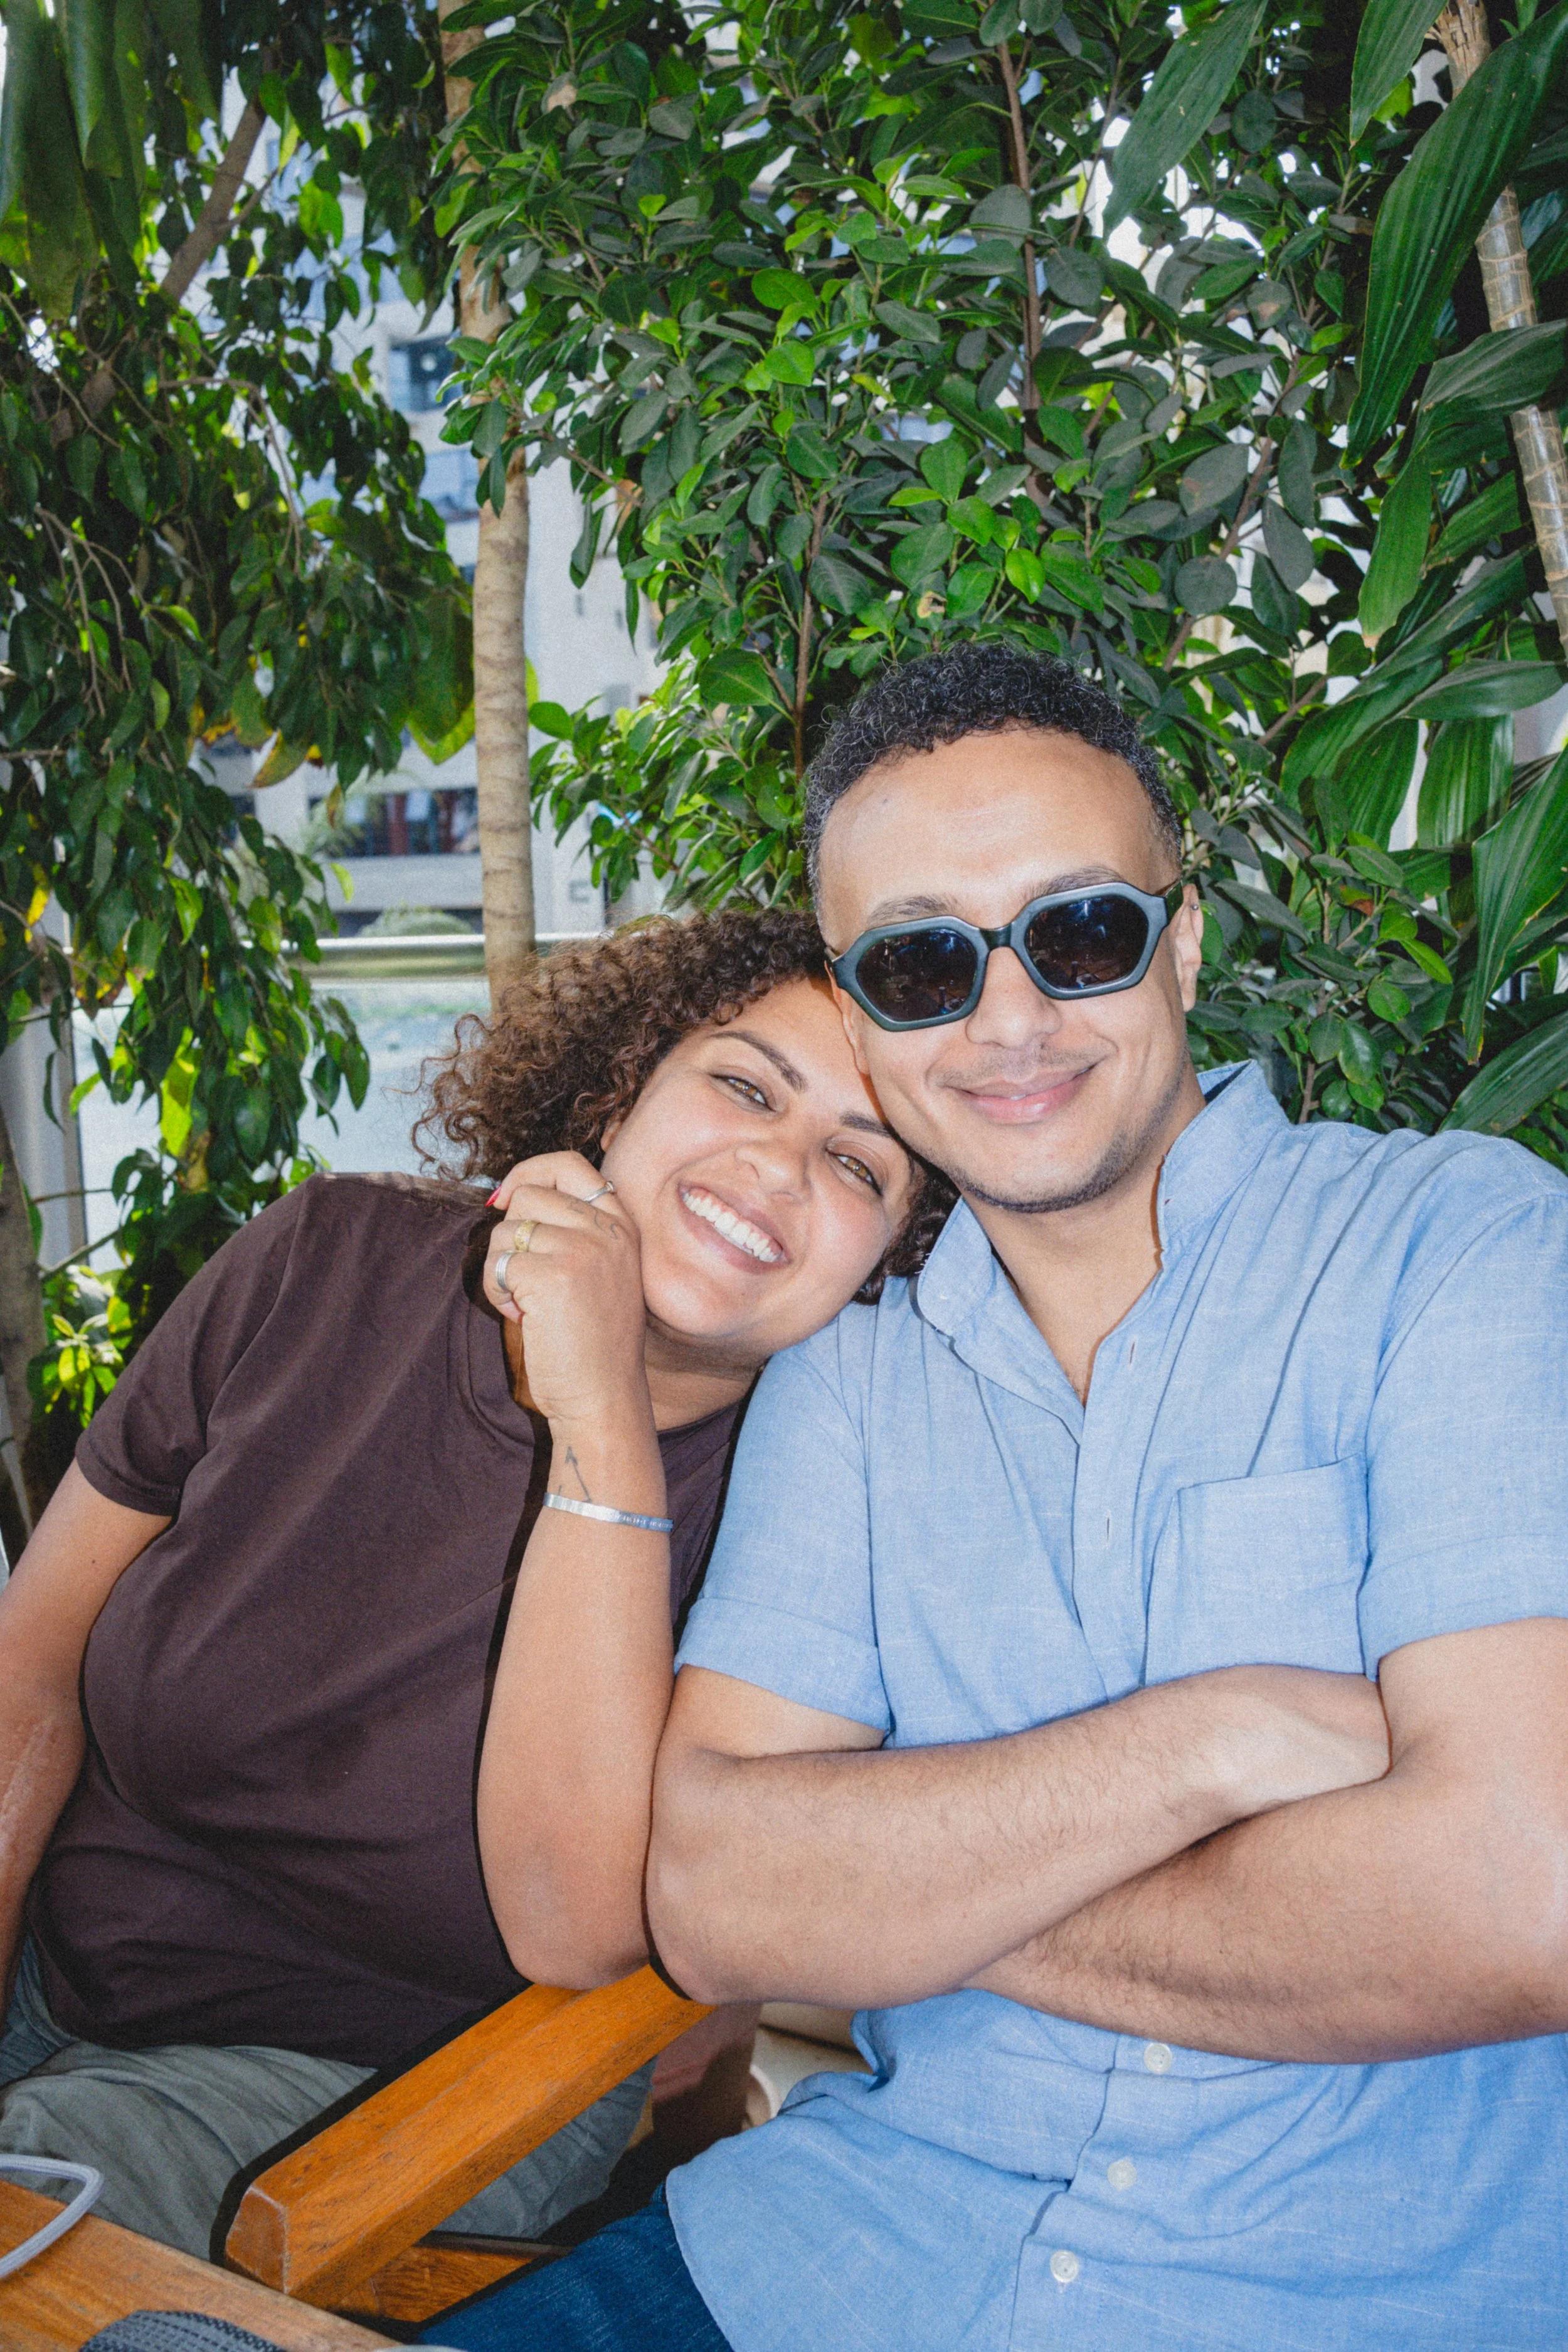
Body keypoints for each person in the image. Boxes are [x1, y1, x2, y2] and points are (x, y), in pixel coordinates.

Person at [424, 644, 1568, 2352]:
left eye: (1080, 929)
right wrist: (1215, 1741)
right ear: (865, 1013)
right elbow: (713, 1891)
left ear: (1181, 943)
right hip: (828, 2257)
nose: (1009, 1015)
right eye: (920, 960)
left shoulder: (1459, 1245)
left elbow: (1517, 1895)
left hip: (1345, 2293)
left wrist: (922, 1884)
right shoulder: (858, 1374)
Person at [0, 909, 950, 2260]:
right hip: (55, 1967)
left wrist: (599, 1415)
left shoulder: (833, 1505)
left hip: (379, 2100)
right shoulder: (326, 1259)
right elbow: (32, 1662)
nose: (775, 1167)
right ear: (625, 1085)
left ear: (895, 1257)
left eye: (859, 1167)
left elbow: (578, 1930)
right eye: (744, 1084)